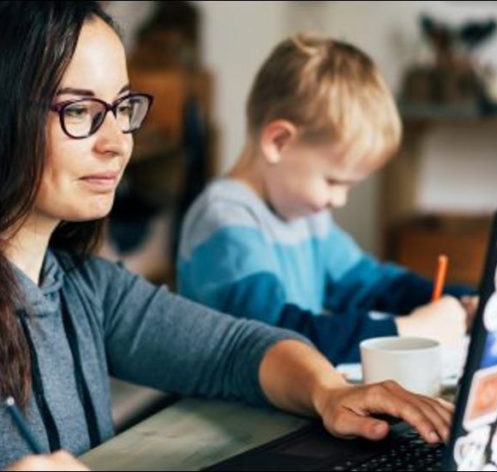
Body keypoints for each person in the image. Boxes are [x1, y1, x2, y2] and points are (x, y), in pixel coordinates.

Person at [0, 4, 454, 470]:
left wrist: (329, 393)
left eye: (122, 107)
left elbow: (236, 348)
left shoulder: (74, 283)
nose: (119, 141)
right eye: (83, 111)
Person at [177, 33, 478, 365]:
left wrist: (461, 300)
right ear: (279, 142)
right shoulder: (225, 221)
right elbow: (280, 337)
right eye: (333, 181)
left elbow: (370, 284)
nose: (340, 199)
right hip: (223, 411)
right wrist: (405, 330)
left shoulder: (305, 214)